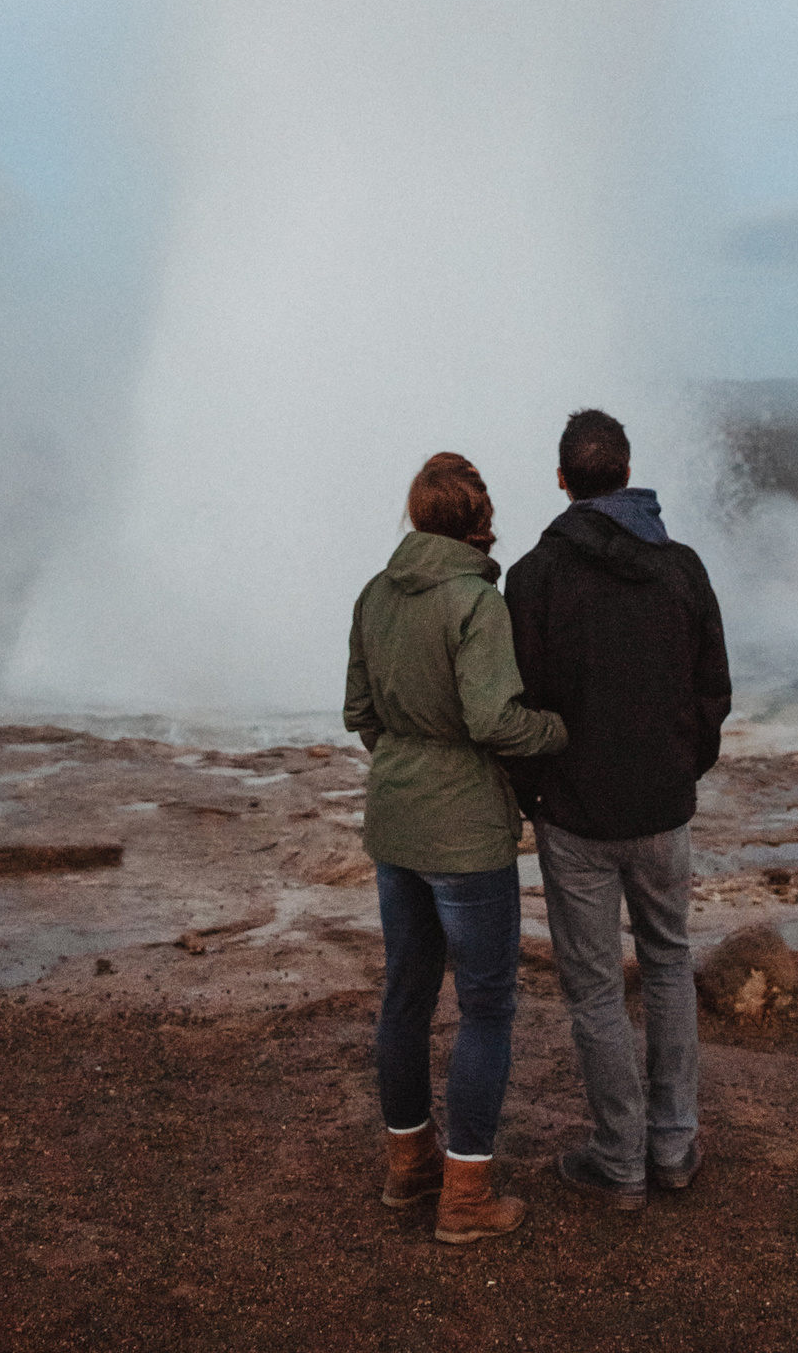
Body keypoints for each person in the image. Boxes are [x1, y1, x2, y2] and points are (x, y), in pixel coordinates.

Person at [504, 408, 731, 1210]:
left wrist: (536, 793)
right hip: (663, 812)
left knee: (596, 991)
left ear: (562, 480)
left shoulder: (533, 576)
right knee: (669, 965)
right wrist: (679, 771)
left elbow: (519, 704)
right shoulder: (684, 569)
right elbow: (713, 691)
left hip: (574, 816)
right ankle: (672, 1148)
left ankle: (619, 1161)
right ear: (627, 474)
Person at [344, 450, 567, 1244]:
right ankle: (467, 1198)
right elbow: (494, 722)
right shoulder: (476, 601)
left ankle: (409, 1167)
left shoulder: (375, 593)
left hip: (394, 820)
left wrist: (406, 764)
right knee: (485, 1007)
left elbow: (359, 712)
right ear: (478, 521)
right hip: (465, 832)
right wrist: (559, 731)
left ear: (415, 518)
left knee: (405, 995)